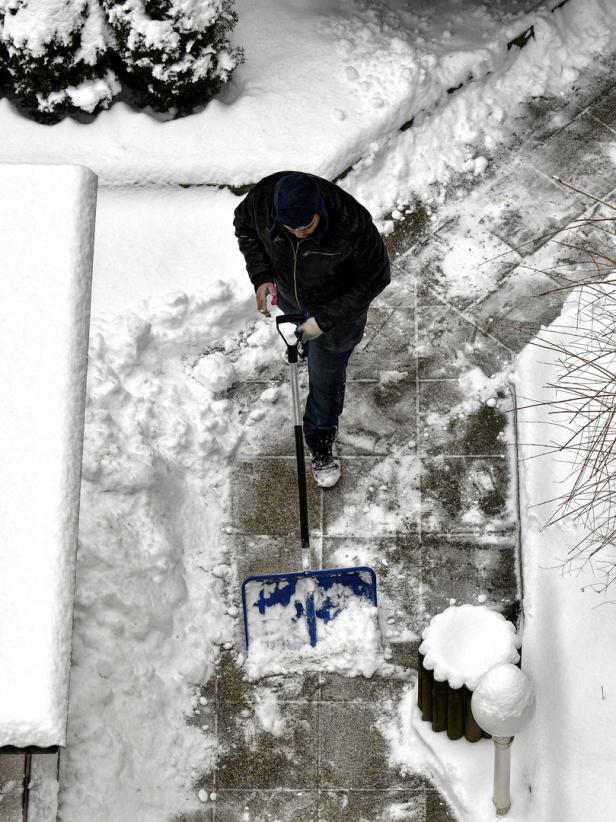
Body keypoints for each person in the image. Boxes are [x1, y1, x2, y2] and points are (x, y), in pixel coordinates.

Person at [233, 170, 390, 487]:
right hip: (293, 299)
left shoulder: (351, 224)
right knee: (307, 339)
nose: (299, 233)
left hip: (338, 315)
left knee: (325, 376)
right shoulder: (264, 201)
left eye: (306, 226)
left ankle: (320, 441)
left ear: (319, 209)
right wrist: (262, 275)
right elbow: (245, 229)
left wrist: (324, 321)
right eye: (290, 228)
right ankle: (307, 341)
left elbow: (376, 278)